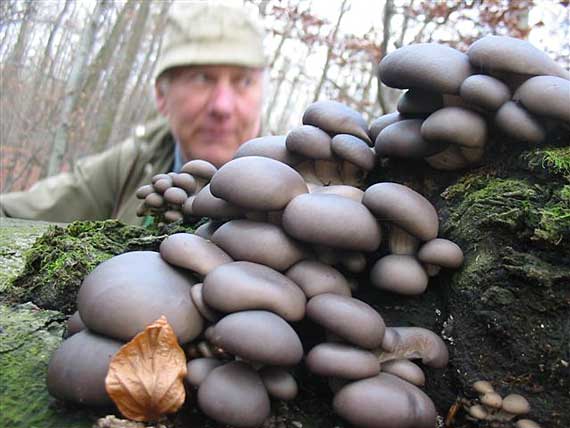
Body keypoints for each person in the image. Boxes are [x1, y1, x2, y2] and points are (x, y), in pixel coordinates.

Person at [0, 1, 266, 225]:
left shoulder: (298, 185)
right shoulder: (133, 165)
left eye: (243, 81)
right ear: (162, 96)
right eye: (201, 78)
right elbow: (12, 214)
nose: (222, 106)